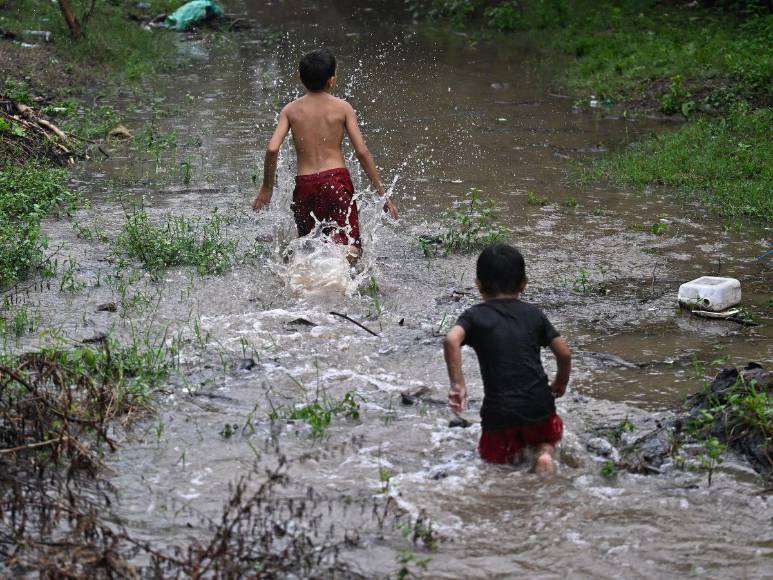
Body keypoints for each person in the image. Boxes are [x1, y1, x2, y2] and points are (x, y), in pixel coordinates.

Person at [251, 48, 398, 259]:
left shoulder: (290, 110)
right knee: (350, 247)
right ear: (332, 80)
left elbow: (272, 148)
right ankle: (342, 275)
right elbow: (362, 152)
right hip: (336, 182)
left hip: (305, 186)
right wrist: (383, 194)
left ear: (300, 78)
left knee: (308, 247)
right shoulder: (343, 108)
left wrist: (266, 188)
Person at [443, 244, 571, 475]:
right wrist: (560, 381)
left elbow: (451, 340)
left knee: (497, 465)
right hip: (539, 407)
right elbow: (564, 353)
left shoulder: (474, 316)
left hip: (500, 414)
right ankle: (544, 455)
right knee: (546, 440)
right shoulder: (534, 315)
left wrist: (457, 385)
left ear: (478, 284)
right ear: (524, 284)